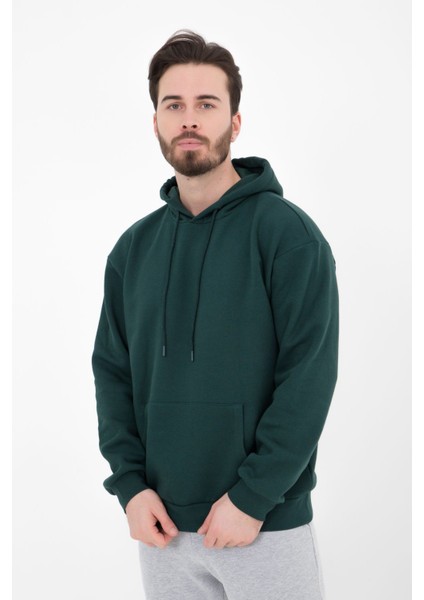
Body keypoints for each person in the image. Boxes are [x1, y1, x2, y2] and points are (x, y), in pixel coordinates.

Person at [92, 30, 339, 600]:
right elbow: (112, 374)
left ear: (236, 121)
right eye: (173, 105)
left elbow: (309, 376)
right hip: (162, 528)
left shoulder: (288, 237)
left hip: (264, 525)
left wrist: (253, 497)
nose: (189, 119)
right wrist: (130, 487)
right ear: (155, 122)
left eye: (206, 104)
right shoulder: (132, 251)